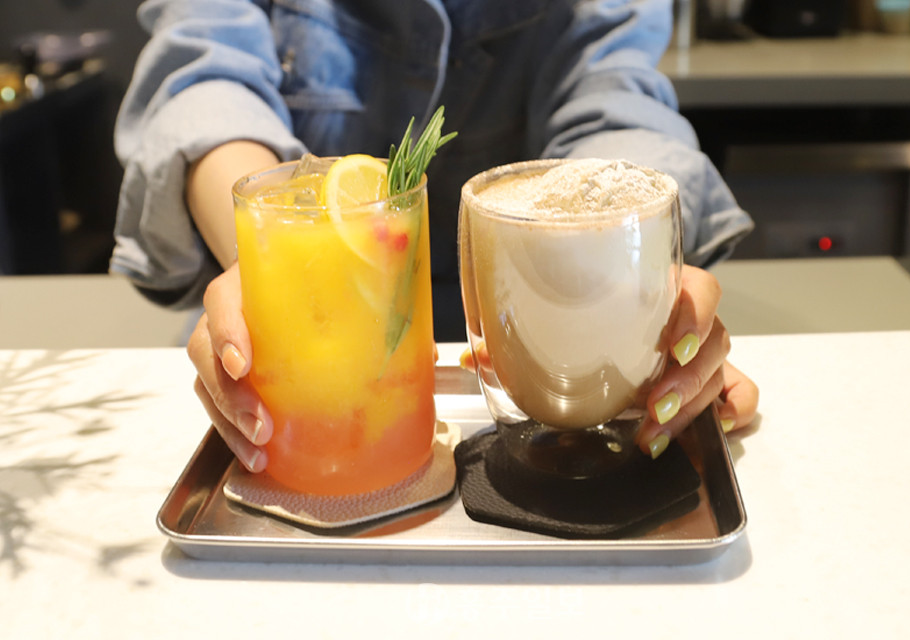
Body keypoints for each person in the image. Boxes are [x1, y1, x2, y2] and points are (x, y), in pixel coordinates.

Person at [111, 0, 759, 472]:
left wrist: (637, 294)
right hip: (309, 330)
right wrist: (266, 262)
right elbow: (206, 79)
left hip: (548, 327)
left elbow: (616, 95)